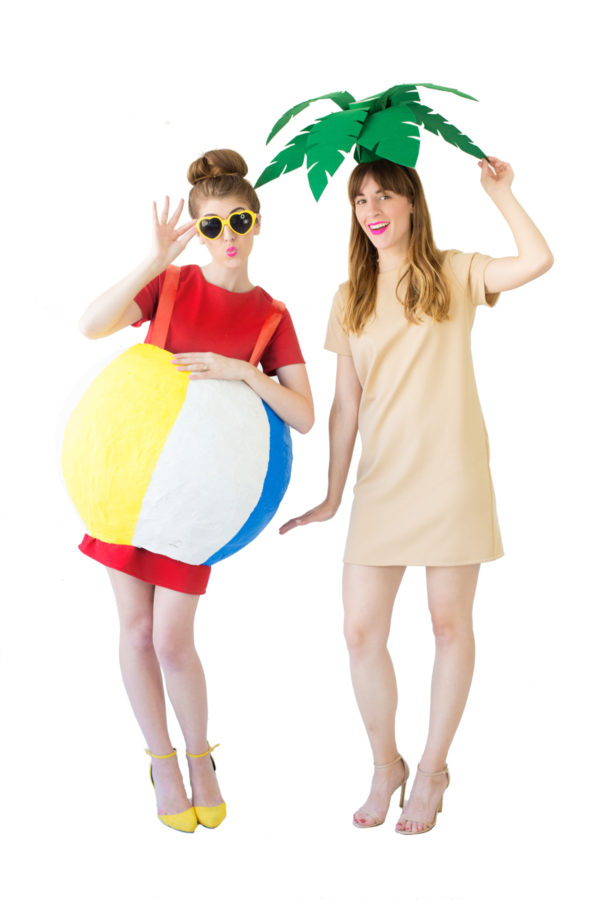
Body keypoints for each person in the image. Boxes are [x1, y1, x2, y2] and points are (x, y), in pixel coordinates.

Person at [281, 156, 552, 834]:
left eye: (385, 196)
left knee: (447, 625)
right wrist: (333, 494)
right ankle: (385, 764)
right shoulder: (349, 297)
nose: (371, 208)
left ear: (410, 204)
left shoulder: (455, 272)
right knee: (360, 631)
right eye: (360, 198)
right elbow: (345, 405)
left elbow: (537, 259)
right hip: (384, 482)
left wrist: (501, 194)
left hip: (453, 475)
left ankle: (432, 769)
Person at [78, 149, 314, 833]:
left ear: (258, 222)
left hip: (198, 503)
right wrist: (151, 262)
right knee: (137, 630)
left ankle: (202, 757)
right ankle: (161, 762)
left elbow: (302, 413)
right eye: (211, 226)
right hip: (130, 481)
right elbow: (90, 324)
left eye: (238, 221)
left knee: (173, 638)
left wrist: (242, 373)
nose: (227, 237)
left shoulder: (270, 314)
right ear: (198, 231)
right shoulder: (174, 284)